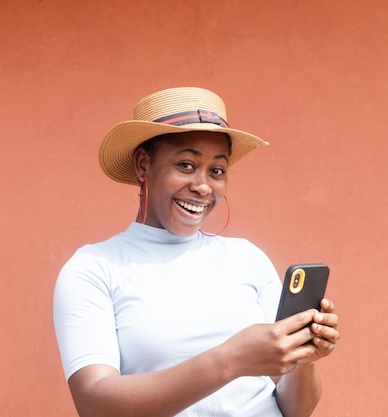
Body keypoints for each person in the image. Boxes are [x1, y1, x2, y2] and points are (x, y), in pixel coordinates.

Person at [53, 87, 340, 417]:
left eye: (217, 171)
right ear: (144, 165)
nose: (203, 187)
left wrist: (305, 357)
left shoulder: (247, 259)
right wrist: (231, 360)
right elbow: (94, 404)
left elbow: (296, 409)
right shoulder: (94, 269)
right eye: (186, 165)